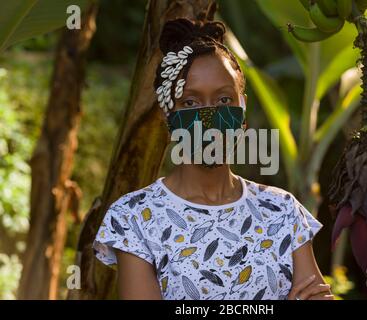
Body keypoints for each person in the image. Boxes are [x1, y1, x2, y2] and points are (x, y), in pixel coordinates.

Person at [93, 18, 333, 300]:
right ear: (167, 117)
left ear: (242, 112)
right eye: (191, 103)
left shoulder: (281, 211)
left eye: (223, 100)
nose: (208, 118)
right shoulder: (135, 217)